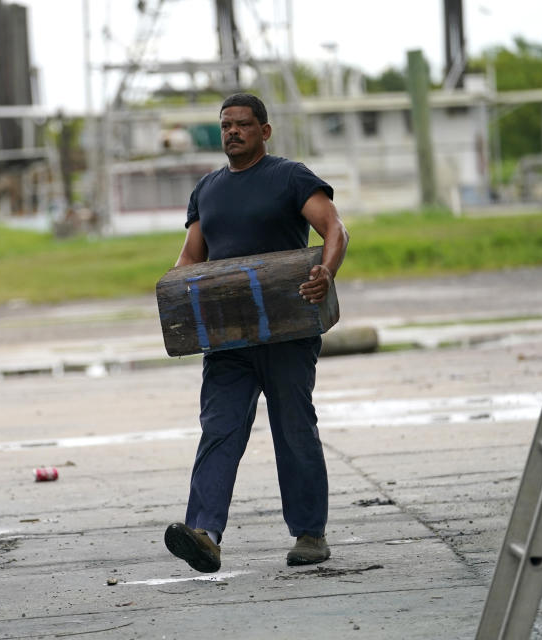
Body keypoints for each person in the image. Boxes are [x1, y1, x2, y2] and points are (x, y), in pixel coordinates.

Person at [164, 93, 349, 573]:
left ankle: (310, 534)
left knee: (293, 428)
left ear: (264, 131)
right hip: (229, 336)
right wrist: (175, 290)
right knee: (219, 429)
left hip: (287, 329)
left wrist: (326, 271)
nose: (232, 132)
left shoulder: (290, 176)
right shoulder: (207, 189)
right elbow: (190, 257)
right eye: (226, 124)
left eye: (243, 124)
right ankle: (204, 533)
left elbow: (334, 229)